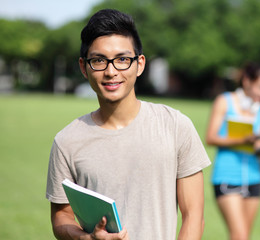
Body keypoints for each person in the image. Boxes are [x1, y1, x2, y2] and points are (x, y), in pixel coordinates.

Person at [46, 9, 211, 240]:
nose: (111, 72)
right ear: (84, 67)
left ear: (139, 64)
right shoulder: (66, 141)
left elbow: (193, 215)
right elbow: (61, 217)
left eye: (122, 59)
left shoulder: (175, 125)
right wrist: (87, 238)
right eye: (99, 61)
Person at [206, 63, 260, 240]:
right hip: (227, 177)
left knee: (245, 236)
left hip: (254, 178)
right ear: (246, 81)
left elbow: (259, 149)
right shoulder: (224, 101)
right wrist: (243, 139)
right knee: (240, 236)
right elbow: (210, 138)